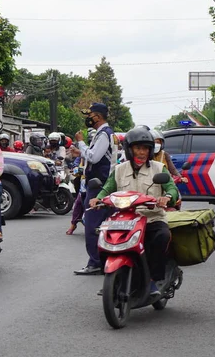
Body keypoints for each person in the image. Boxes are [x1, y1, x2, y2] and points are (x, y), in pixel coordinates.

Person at [89, 127, 179, 295]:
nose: (142, 152)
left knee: (162, 236)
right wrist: (97, 199)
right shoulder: (120, 169)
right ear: (130, 150)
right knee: (102, 237)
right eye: (138, 148)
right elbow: (108, 188)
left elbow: (172, 189)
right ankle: (111, 277)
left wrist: (166, 197)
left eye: (145, 148)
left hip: (152, 217)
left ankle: (154, 279)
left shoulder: (159, 168)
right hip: (125, 219)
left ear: (150, 150)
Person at [71, 103, 117, 275]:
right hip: (102, 183)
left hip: (100, 186)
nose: (88, 119)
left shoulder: (104, 134)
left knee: (92, 226)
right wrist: (81, 151)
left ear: (97, 117)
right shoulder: (104, 133)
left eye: (89, 115)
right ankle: (104, 261)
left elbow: (94, 157)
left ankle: (96, 262)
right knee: (104, 225)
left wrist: (81, 143)